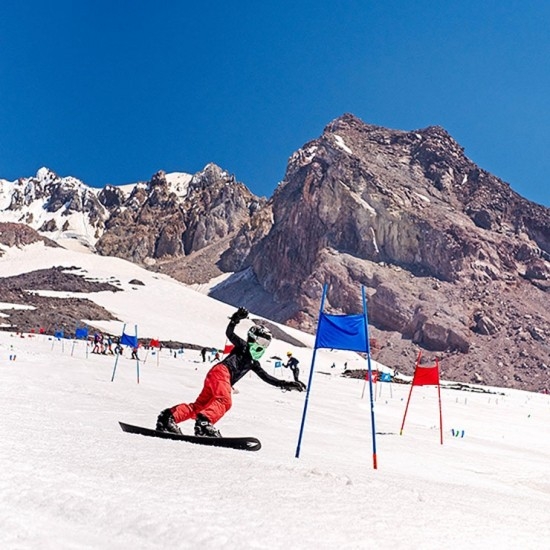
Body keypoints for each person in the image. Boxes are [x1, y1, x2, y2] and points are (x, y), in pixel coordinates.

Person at [156, 307, 306, 437]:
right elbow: (230, 333)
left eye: (266, 344)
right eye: (261, 342)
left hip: (216, 376)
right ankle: (204, 424)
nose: (262, 347)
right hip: (222, 373)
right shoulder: (243, 347)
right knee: (224, 401)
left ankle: (168, 418)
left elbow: (267, 378)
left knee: (199, 406)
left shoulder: (254, 363)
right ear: (252, 339)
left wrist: (286, 384)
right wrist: (235, 319)